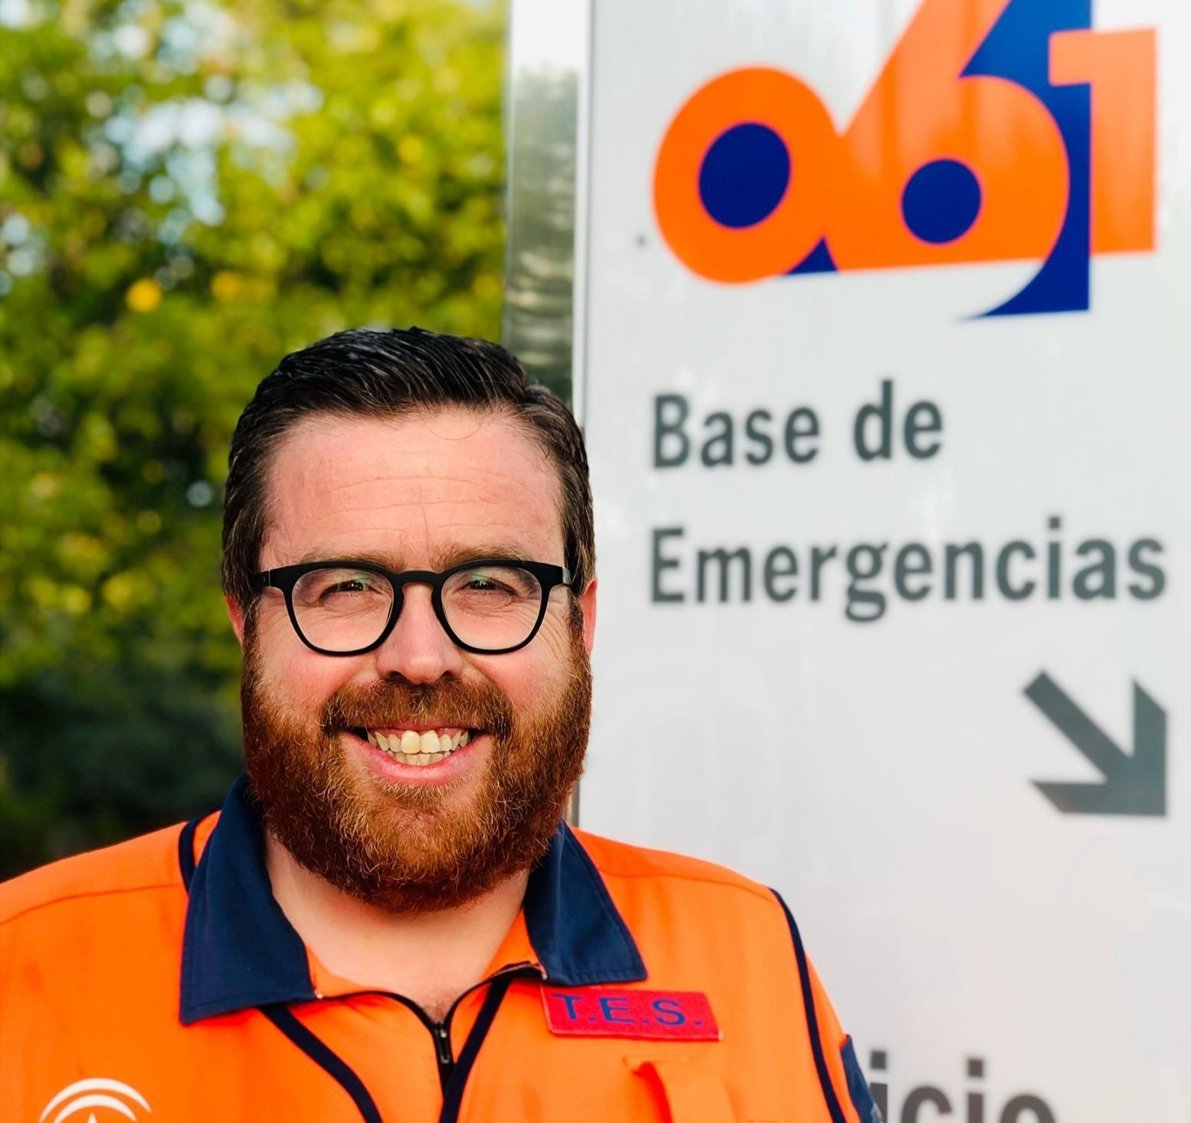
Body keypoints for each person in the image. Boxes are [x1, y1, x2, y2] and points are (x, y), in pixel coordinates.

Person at [1, 328, 880, 1122]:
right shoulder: (24, 967)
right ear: (246, 623)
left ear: (580, 624)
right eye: (346, 587)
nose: (419, 656)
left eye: (488, 584)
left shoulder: (748, 952)